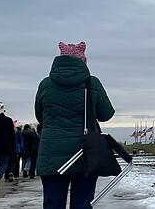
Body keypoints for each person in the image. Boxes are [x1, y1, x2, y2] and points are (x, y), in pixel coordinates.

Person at [36, 41, 114, 209]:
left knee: (52, 203)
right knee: (82, 203)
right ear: (83, 62)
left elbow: (40, 117)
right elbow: (106, 114)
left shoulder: (45, 84)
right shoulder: (92, 83)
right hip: (84, 153)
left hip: (51, 153)